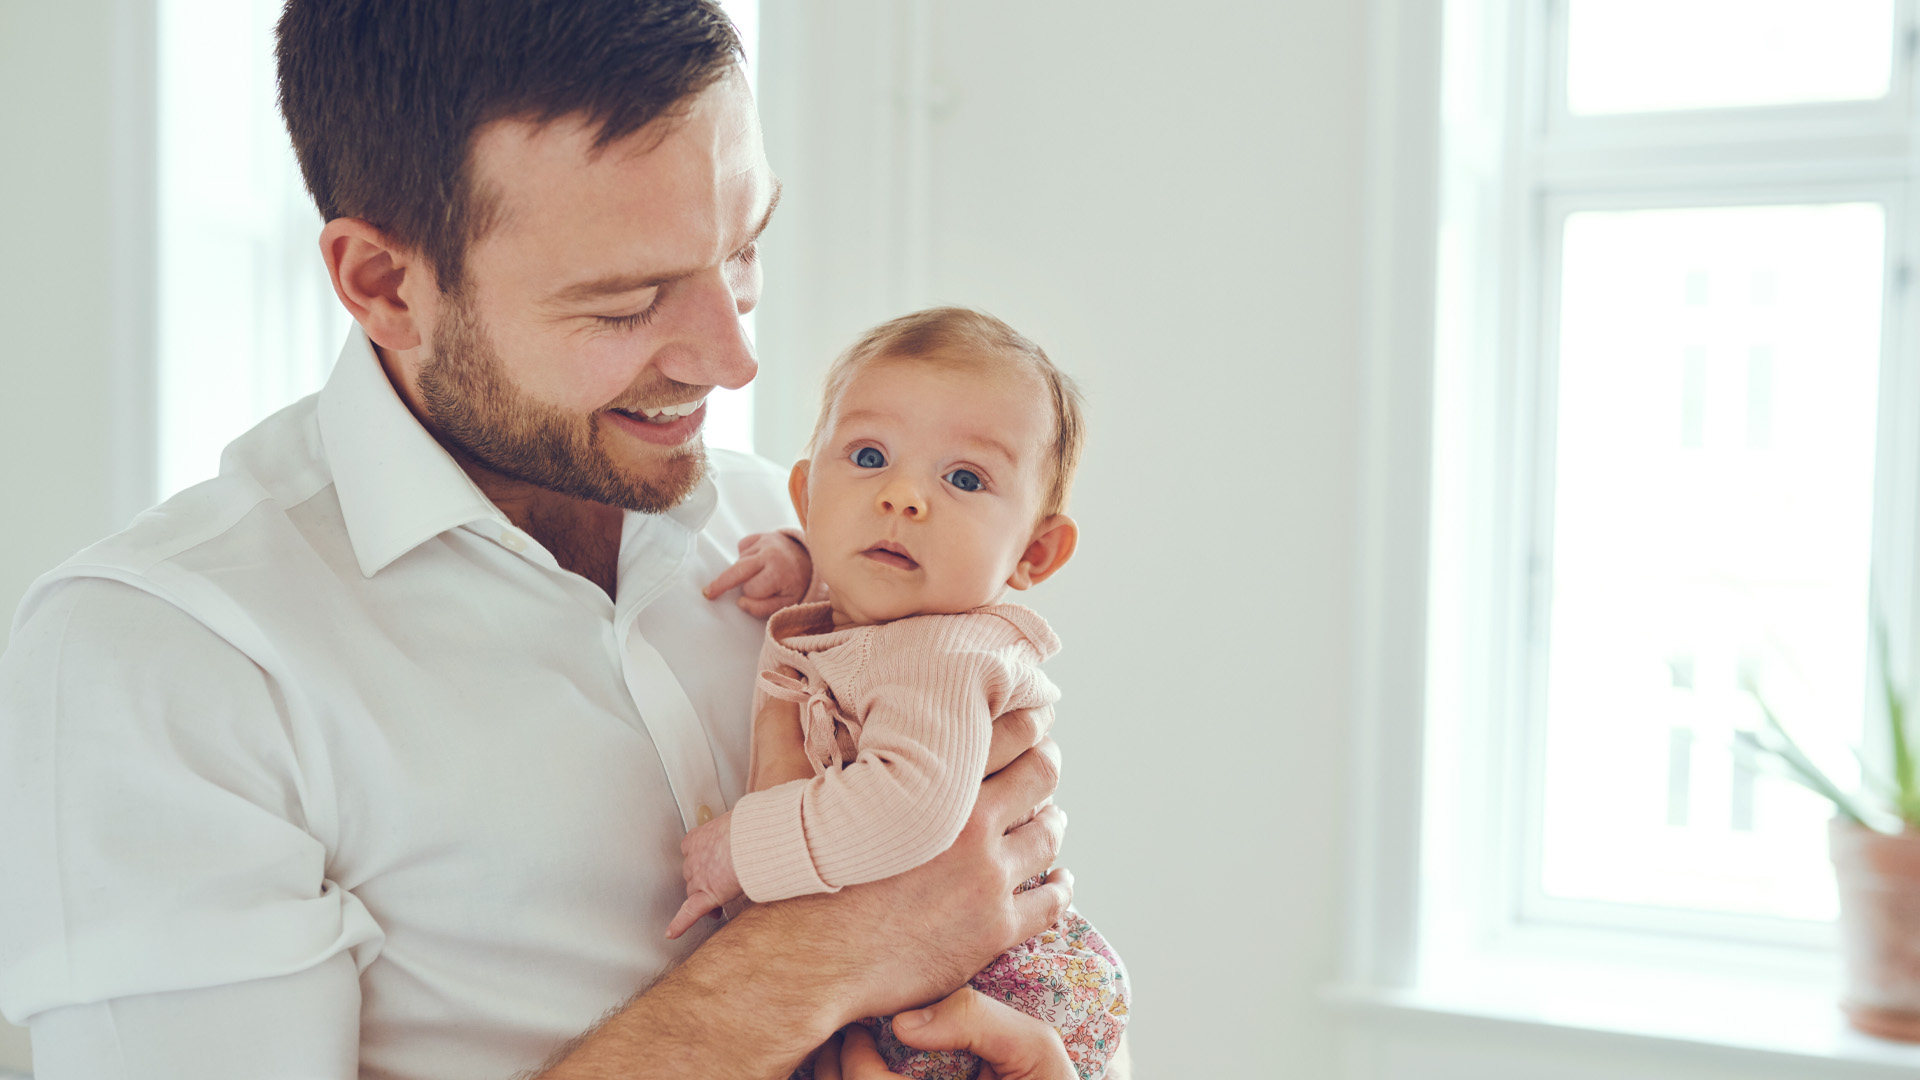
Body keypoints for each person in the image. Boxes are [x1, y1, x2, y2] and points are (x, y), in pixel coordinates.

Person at [0, 3, 1104, 1077]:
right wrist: (823, 954)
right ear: (384, 284)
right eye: (626, 302)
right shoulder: (169, 655)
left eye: (745, 250)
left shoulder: (804, 537)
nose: (732, 359)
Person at [680, 308, 1128, 1080]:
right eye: (868, 455)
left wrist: (742, 849)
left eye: (965, 478)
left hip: (995, 991)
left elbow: (913, 804)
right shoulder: (894, 616)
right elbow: (865, 599)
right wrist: (803, 563)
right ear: (806, 493)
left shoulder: (946, 654)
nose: (903, 497)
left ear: (1035, 552)